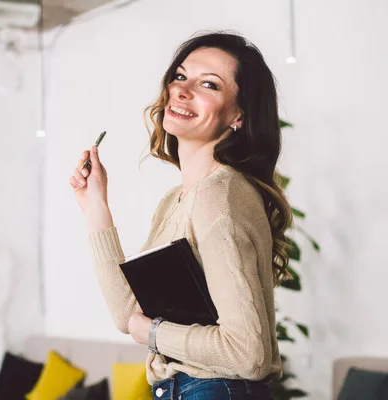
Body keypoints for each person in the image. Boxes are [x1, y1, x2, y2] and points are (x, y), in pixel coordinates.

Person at [69, 31, 292, 400]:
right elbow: (129, 316)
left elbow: (247, 354)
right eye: (180, 76)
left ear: (239, 115)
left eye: (209, 84)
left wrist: (156, 334)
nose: (183, 90)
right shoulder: (178, 199)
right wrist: (95, 206)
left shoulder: (219, 196)